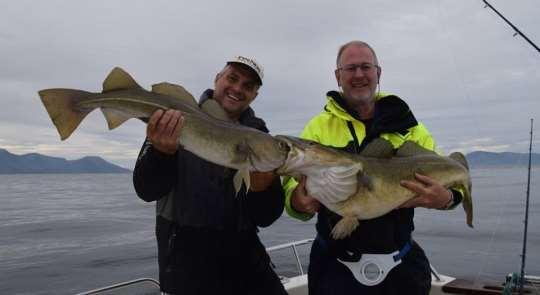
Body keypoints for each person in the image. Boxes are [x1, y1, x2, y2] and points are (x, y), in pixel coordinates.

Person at [283, 41, 464, 294]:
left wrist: (446, 199)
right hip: (333, 270)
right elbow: (293, 184)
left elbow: (451, 181)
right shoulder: (317, 129)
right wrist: (296, 202)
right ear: (338, 77)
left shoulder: (410, 127)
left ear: (379, 73)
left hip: (401, 269)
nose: (359, 75)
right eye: (351, 68)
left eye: (366, 67)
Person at [133, 56, 287, 295]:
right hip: (187, 270)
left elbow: (266, 216)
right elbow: (146, 189)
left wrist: (262, 188)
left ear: (255, 96)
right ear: (217, 78)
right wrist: (161, 153)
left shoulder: (261, 140)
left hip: (246, 265)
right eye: (232, 78)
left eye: (248, 86)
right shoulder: (176, 119)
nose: (237, 88)